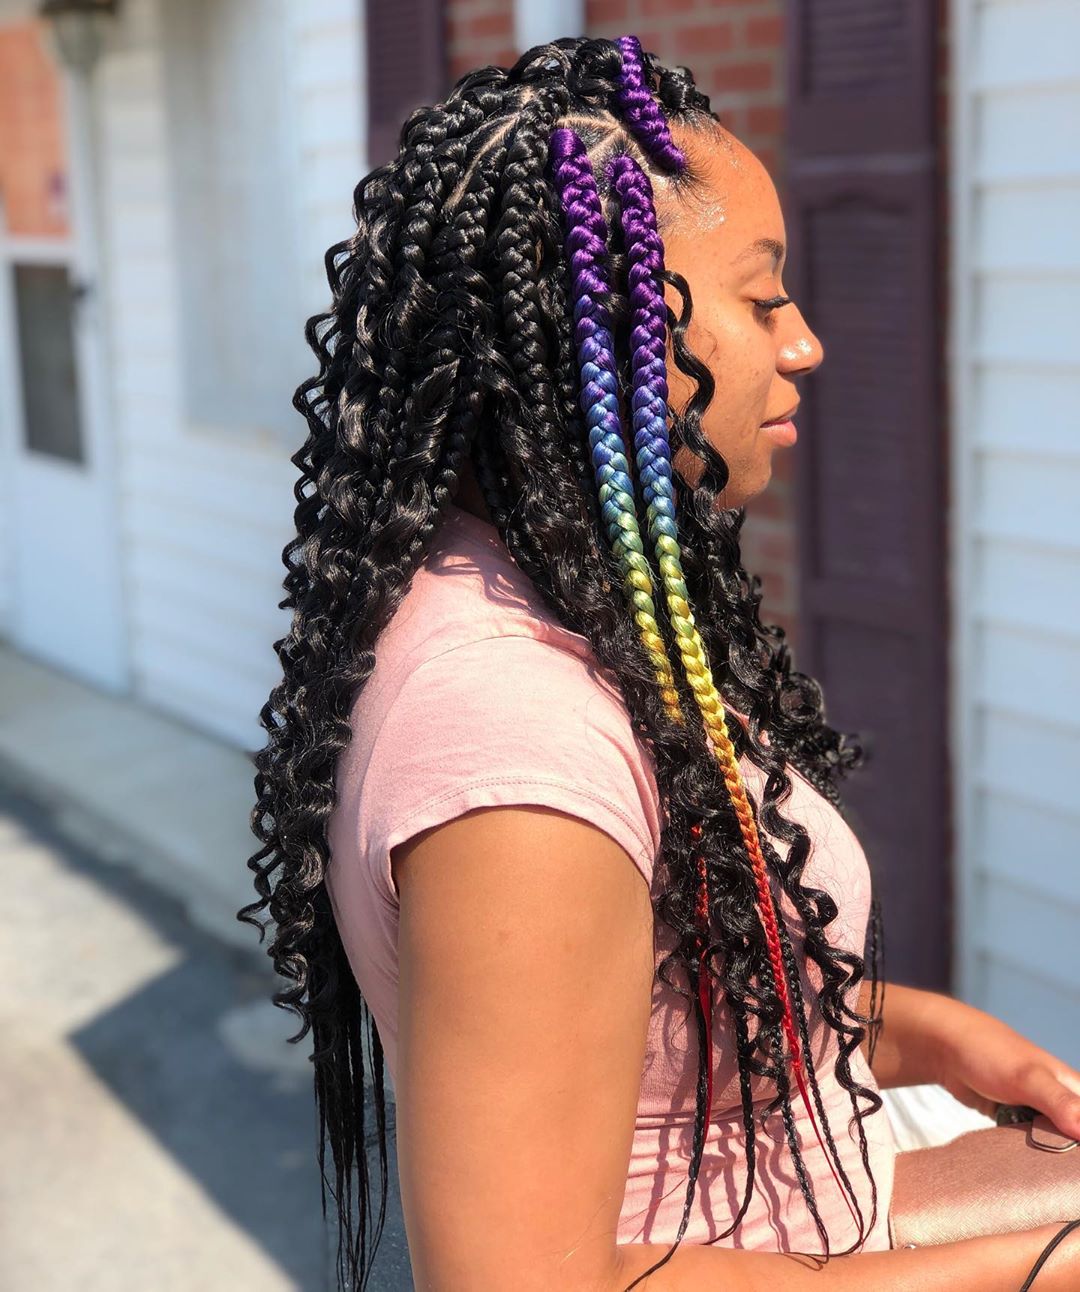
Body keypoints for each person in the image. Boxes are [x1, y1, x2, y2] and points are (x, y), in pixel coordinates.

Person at [239, 35, 1080, 1291]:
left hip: (810, 1203)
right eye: (760, 297)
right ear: (606, 330)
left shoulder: (546, 595)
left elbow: (679, 1035)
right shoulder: (517, 748)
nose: (804, 345)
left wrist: (951, 1039)